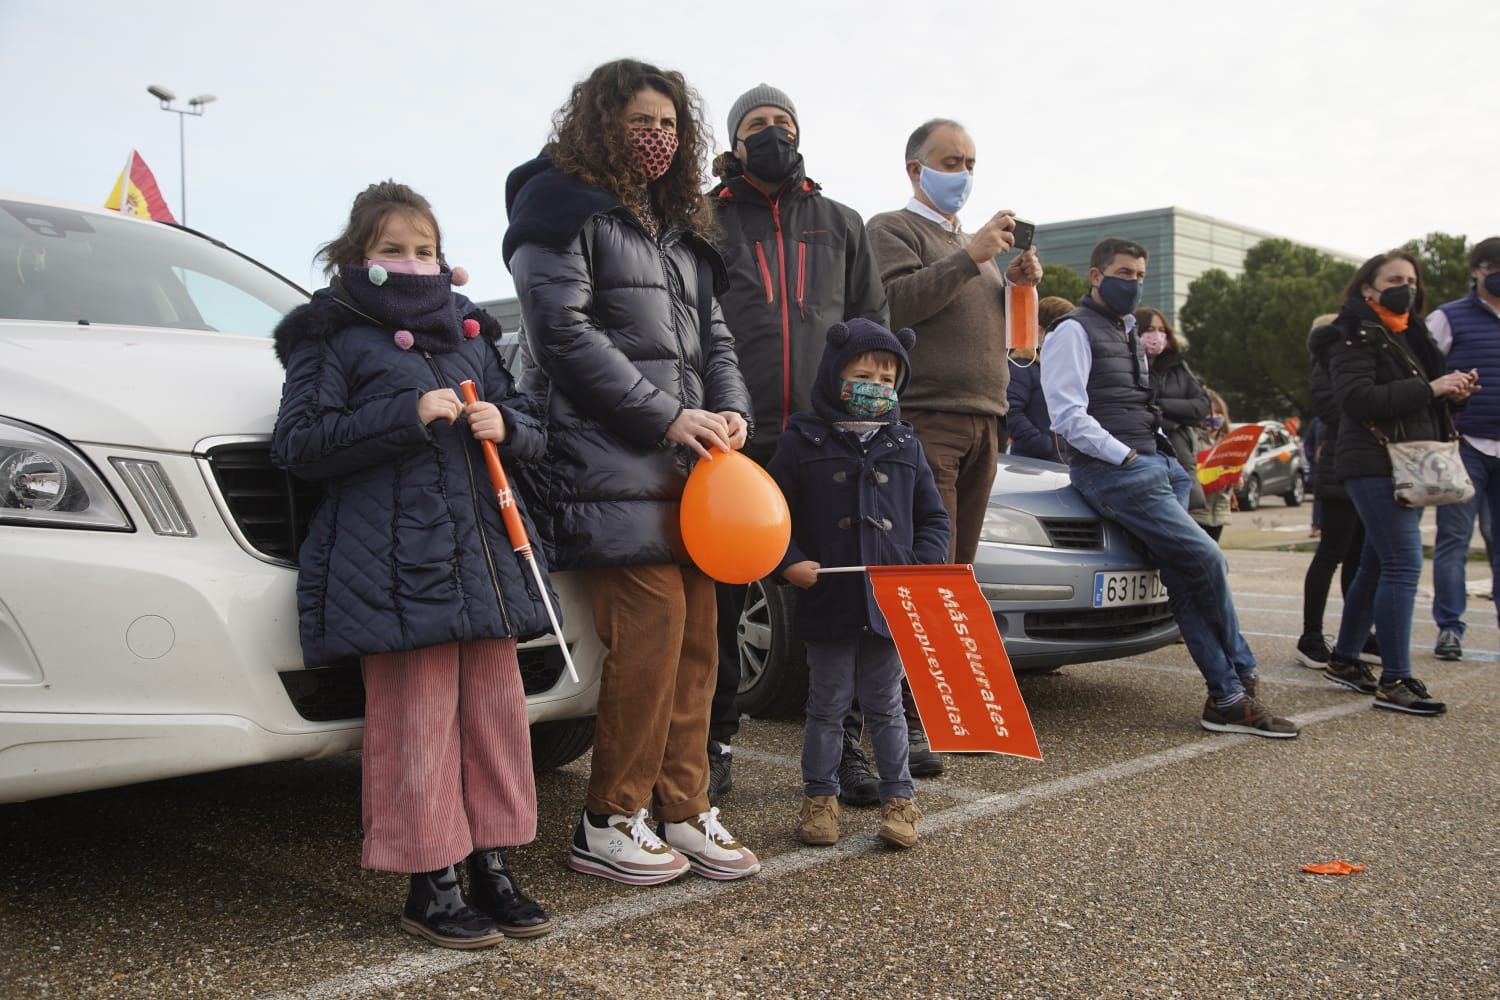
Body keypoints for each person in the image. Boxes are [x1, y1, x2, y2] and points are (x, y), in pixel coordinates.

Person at [271, 181, 553, 949]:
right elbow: (299, 444)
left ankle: (490, 862)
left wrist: (510, 425)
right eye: (392, 248)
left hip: (483, 557)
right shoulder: (328, 335)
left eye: (424, 249)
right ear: (358, 254)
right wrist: (404, 414)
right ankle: (429, 880)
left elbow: (530, 422)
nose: (411, 261)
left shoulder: (467, 333)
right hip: (395, 562)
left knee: (494, 717)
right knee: (416, 722)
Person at [503, 59, 760, 884]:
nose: (658, 136)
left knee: (697, 644)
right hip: (607, 466)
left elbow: (716, 342)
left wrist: (731, 411)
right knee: (649, 641)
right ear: (599, 123)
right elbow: (562, 333)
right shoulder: (560, 208)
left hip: (691, 474)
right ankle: (610, 817)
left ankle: (682, 809)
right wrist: (664, 414)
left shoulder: (679, 230)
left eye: (671, 124)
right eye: (641, 120)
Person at [704, 83, 888, 806]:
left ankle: (841, 744)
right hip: (735, 437)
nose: (773, 132)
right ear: (735, 140)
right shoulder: (704, 221)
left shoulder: (841, 222)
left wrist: (865, 417)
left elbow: (871, 326)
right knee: (720, 604)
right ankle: (713, 743)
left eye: (784, 122)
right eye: (757, 124)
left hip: (824, 437)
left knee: (836, 598)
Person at [1040, 237, 1300, 737]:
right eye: (1123, 273)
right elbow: (1068, 417)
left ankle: (1226, 699)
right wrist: (1129, 456)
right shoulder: (1071, 331)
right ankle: (1243, 672)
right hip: (1117, 470)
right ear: (1095, 276)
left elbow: (1141, 401)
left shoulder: (1129, 328)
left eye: (1140, 275)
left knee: (1186, 579)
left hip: (1158, 465)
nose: (1133, 283)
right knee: (1208, 559)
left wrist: (1156, 449)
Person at [866, 118, 1042, 775]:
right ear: (915, 169)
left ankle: (944, 710)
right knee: (924, 571)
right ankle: (900, 718)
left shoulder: (977, 253)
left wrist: (1017, 283)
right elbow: (891, 306)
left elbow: (1007, 340)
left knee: (955, 573)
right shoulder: (893, 228)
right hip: (926, 419)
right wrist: (969, 256)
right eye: (950, 159)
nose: (963, 170)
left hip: (981, 421)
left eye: (970, 160)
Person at [767, 319, 951, 849]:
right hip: (827, 599)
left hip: (889, 603)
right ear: (834, 373)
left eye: (888, 379)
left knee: (886, 703)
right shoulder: (801, 440)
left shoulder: (905, 444)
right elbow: (771, 516)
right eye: (863, 374)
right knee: (826, 704)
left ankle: (900, 800)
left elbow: (934, 518)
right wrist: (788, 561)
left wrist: (920, 562)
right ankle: (820, 797)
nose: (876, 386)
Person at [1323, 250, 1476, 715]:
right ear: (1367, 287)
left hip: (1407, 459)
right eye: (1394, 278)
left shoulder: (1412, 335)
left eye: (1411, 279)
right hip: (1375, 460)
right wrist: (1432, 388)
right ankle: (1396, 679)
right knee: (1404, 563)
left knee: (1376, 562)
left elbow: (1418, 400)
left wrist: (1454, 392)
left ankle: (1347, 658)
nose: (1405, 286)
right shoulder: (1351, 336)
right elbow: (1357, 399)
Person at [1428, 236, 1500, 661]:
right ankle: (1449, 628)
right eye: (1491, 266)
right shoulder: (1448, 317)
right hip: (1464, 445)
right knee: (1453, 540)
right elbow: (1425, 376)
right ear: (1476, 270)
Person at [1297, 313, 1371, 668]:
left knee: (1358, 558)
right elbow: (1336, 412)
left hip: (1363, 466)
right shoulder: (1326, 371)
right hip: (1340, 471)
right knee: (1331, 554)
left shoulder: (1350, 367)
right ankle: (1310, 635)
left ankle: (1357, 634)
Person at [1136, 306, 1211, 523]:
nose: (1156, 335)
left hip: (1181, 452)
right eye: (1149, 328)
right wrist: (1172, 418)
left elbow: (1200, 405)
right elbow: (1137, 407)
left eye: (1161, 329)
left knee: (1181, 517)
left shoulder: (1178, 366)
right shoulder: (1127, 365)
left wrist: (1160, 405)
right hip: (1147, 453)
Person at [1006, 295, 1073, 462]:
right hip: (1032, 466)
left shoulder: (1062, 369)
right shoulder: (1023, 366)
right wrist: (1044, 446)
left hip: (1063, 463)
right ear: (1041, 331)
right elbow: (1010, 411)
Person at [1193, 387, 1234, 541]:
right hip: (1197, 512)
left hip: (1219, 512)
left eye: (1219, 413)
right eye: (1209, 413)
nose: (1214, 418)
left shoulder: (1228, 441)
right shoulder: (1193, 439)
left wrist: (1235, 479)